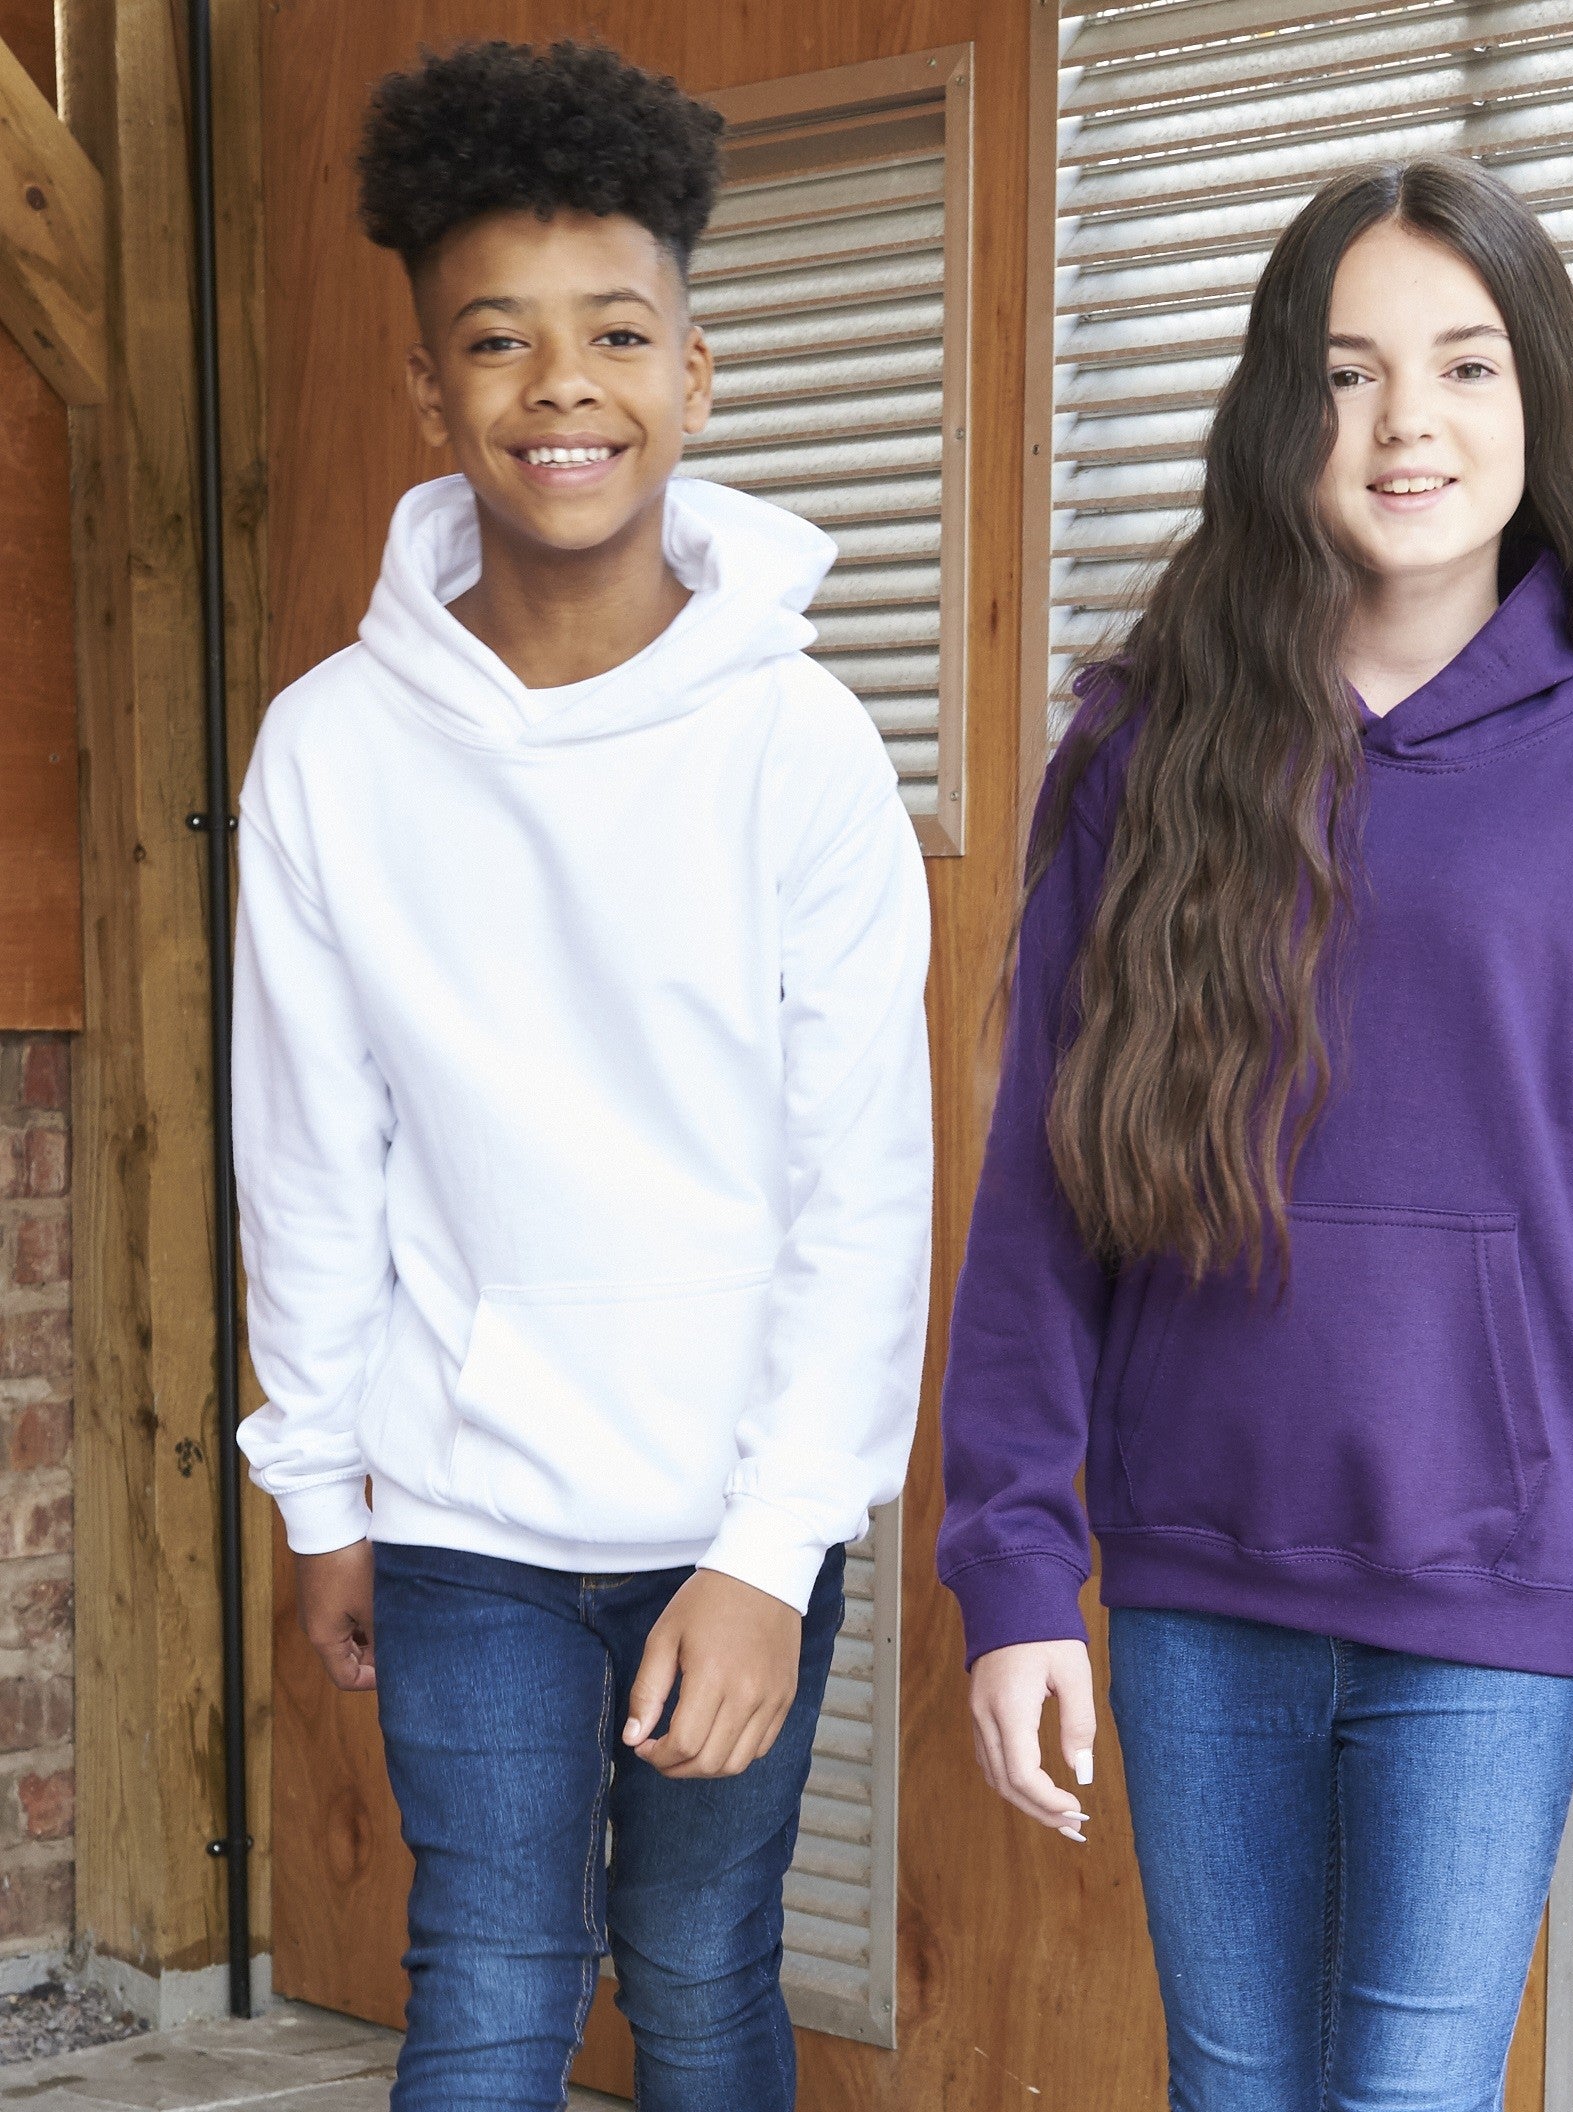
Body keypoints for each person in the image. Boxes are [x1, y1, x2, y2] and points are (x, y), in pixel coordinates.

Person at [938, 155, 1573, 2112]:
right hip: (1192, 1574)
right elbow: (1042, 1200)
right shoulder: (1141, 756)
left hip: (1492, 1591)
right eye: (1344, 373)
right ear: (1278, 414)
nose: (1405, 421)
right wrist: (1011, 1569)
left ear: (1538, 401)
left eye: (1463, 365)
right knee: (1231, 2085)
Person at [232, 40, 932, 2112]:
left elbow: (860, 1182)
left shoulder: (796, 744)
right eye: (498, 339)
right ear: (426, 390)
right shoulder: (329, 752)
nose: (563, 386)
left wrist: (773, 1544)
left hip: (734, 1507)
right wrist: (320, 1491)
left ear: (693, 378)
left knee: (702, 1977)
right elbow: (310, 1153)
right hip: (460, 1509)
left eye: (617, 333)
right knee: (488, 1981)